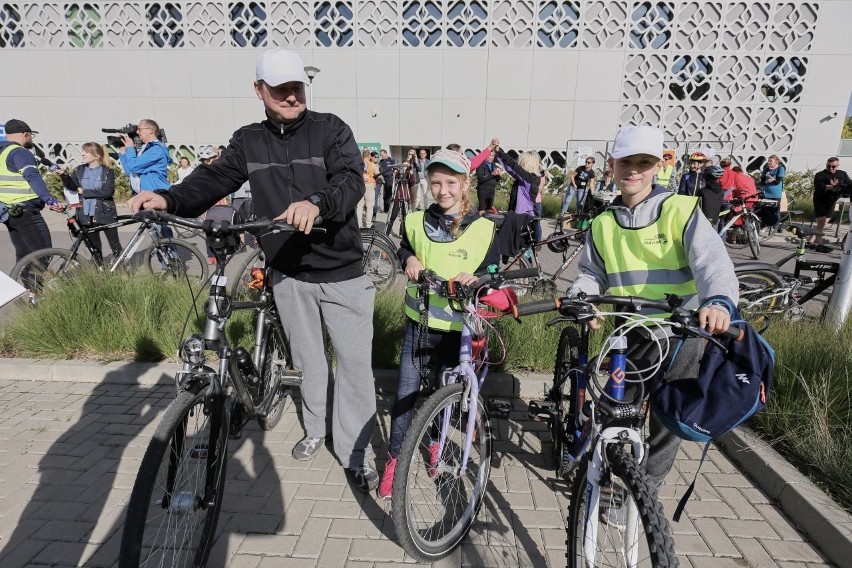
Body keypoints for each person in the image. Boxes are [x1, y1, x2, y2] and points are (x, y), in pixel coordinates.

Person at [128, 47, 379, 492]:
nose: (290, 94)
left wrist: (316, 204)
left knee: (356, 367)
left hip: (342, 272)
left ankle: (355, 450)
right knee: (309, 363)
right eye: (280, 87)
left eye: (296, 86)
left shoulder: (330, 130)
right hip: (288, 272)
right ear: (259, 90)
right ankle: (316, 429)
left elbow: (350, 180)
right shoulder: (248, 140)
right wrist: (168, 198)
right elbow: (213, 179)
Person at [568, 124, 737, 501]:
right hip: (630, 332)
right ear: (613, 165)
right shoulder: (603, 223)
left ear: (658, 166)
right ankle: (611, 474)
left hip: (681, 334)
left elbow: (713, 264)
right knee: (613, 408)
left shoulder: (680, 210)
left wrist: (718, 302)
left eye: (643, 162)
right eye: (626, 161)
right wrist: (583, 295)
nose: (634, 170)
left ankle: (644, 494)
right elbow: (592, 273)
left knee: (667, 422)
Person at [377, 148, 502, 499]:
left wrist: (477, 278)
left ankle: (436, 444)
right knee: (404, 396)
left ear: (465, 185)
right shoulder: (416, 221)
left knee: (441, 395)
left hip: (457, 331)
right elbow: (403, 249)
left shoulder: (482, 227)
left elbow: (493, 270)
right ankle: (394, 461)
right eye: (436, 183)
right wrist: (409, 258)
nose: (443, 190)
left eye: (451, 183)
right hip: (420, 323)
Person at [0, 119, 64, 279]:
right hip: (25, 212)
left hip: (10, 212)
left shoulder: (2, 153)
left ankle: (26, 295)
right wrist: (49, 199)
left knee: (24, 255)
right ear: (25, 134)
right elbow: (32, 176)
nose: (32, 139)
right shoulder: (19, 152)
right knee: (43, 252)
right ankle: (34, 294)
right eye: (31, 135)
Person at [57, 142, 123, 260]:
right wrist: (64, 176)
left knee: (115, 245)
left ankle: (122, 270)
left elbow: (108, 192)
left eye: (85, 152)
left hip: (105, 213)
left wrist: (85, 192)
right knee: (94, 247)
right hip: (85, 215)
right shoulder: (79, 170)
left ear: (96, 155)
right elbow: (73, 187)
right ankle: (100, 271)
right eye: (82, 151)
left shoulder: (107, 171)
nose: (82, 154)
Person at [118, 119, 173, 237]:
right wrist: (123, 152)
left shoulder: (156, 149)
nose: (138, 132)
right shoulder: (146, 149)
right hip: (146, 194)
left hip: (156, 194)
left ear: (150, 131)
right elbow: (131, 172)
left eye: (140, 129)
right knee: (156, 235)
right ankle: (166, 254)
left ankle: (173, 255)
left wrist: (131, 149)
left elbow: (134, 165)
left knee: (162, 232)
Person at [810, 157, 852, 252]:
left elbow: (849, 184)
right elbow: (820, 186)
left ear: (837, 166)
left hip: (831, 201)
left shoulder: (842, 174)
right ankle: (819, 244)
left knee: (822, 224)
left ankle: (811, 242)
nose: (831, 168)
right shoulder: (820, 175)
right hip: (820, 200)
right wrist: (834, 186)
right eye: (829, 166)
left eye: (833, 166)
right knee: (821, 221)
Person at [757, 154, 785, 230]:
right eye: (768, 161)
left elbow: (777, 182)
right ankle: (764, 224)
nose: (769, 162)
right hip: (766, 193)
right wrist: (766, 181)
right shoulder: (766, 169)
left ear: (776, 162)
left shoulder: (780, 168)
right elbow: (762, 182)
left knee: (775, 210)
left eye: (770, 161)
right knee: (765, 209)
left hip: (776, 194)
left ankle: (776, 225)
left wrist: (772, 179)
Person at [359, 147, 379, 228]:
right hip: (369, 186)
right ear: (369, 155)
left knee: (359, 206)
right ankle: (368, 224)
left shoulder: (358, 162)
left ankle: (359, 224)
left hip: (360, 185)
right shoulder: (372, 164)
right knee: (369, 206)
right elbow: (378, 173)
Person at [378, 148, 396, 214]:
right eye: (381, 155)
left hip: (389, 178)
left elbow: (395, 169)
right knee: (384, 195)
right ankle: (385, 209)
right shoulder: (381, 161)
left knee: (389, 194)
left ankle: (388, 209)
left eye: (382, 155)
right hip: (382, 178)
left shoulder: (391, 160)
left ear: (386, 153)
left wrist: (394, 176)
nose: (381, 156)